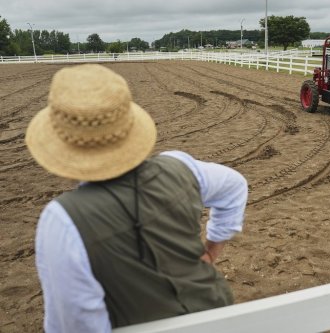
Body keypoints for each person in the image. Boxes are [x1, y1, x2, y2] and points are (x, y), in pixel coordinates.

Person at [26, 64, 248, 332]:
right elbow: (234, 185)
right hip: (218, 315)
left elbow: (76, 320)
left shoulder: (62, 219)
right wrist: (212, 252)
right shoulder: (181, 167)